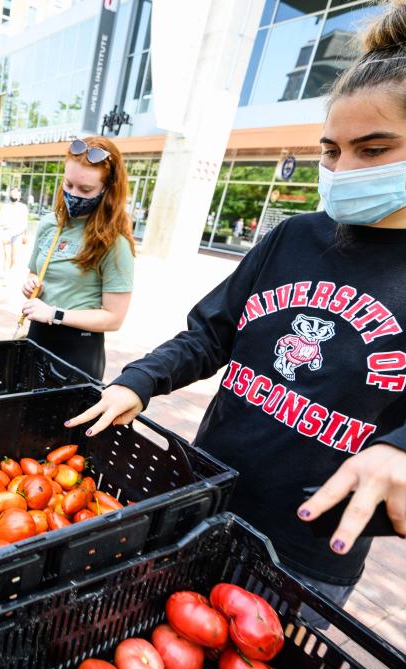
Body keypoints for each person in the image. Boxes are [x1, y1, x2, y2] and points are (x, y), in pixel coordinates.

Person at [68, 1, 406, 613]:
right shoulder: (292, 237)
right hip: (204, 502)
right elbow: (209, 334)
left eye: (374, 150)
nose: (343, 169)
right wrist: (139, 382)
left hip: (306, 554)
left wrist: (398, 449)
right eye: (331, 150)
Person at [22, 136, 135, 382]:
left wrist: (55, 313)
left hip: (77, 352)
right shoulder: (50, 223)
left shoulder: (114, 243)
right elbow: (34, 272)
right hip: (36, 337)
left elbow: (114, 318)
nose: (74, 194)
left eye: (85, 190)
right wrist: (31, 284)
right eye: (68, 184)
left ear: (108, 190)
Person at [0, 188, 30, 270]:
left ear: (19, 196)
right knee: (6, 255)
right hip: (7, 233)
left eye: (16, 194)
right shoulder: (6, 207)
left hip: (18, 234)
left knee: (14, 257)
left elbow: (25, 222)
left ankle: (10, 273)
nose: (14, 196)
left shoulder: (23, 207)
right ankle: (5, 275)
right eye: (12, 194)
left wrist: (25, 235)